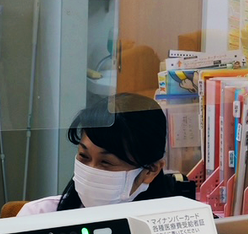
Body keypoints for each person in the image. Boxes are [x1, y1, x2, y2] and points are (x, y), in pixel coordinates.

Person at [18, 93, 173, 216]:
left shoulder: (171, 229)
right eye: (84, 156)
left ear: (151, 170)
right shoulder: (38, 216)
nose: (90, 171)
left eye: (106, 162)